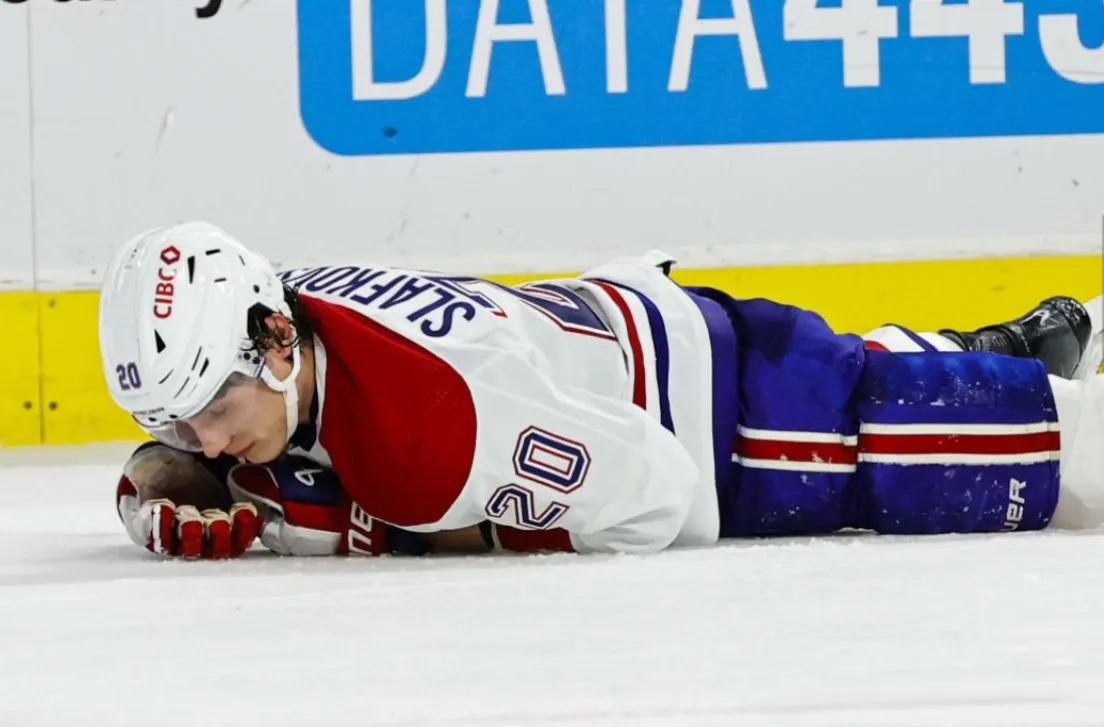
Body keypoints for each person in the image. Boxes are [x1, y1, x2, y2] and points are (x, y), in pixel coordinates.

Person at [97, 221, 1104, 560]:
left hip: (737, 423)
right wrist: (165, 467)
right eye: (179, 421)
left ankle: (1007, 373)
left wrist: (485, 530)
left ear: (275, 343)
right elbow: (325, 459)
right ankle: (999, 345)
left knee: (1054, 464)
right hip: (628, 333)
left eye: (213, 416)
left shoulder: (434, 426)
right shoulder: (300, 312)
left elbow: (661, 493)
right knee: (870, 370)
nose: (209, 443)